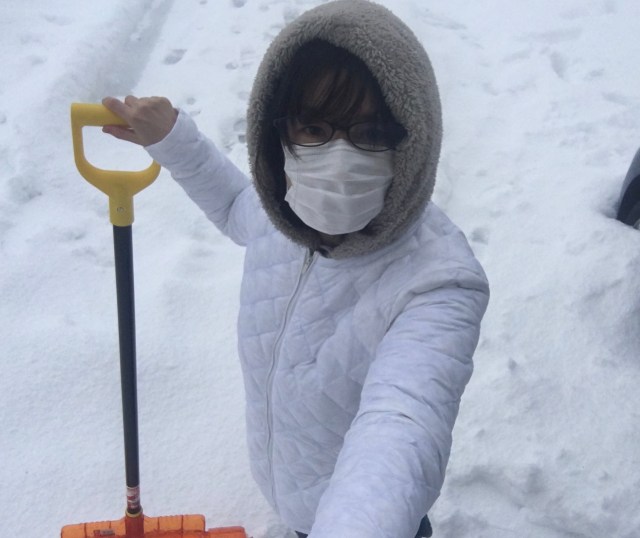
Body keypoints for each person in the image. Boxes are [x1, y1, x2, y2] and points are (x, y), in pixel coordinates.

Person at [102, 1, 490, 537]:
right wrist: (174, 140)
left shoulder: (438, 282)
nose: (339, 157)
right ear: (277, 133)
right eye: (313, 126)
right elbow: (239, 207)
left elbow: (402, 425)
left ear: (413, 142)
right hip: (291, 487)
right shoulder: (284, 216)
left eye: (371, 133)